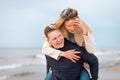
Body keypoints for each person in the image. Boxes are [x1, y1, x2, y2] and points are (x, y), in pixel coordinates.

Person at [42, 8, 99, 80]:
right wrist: (64, 54)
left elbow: (92, 53)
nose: (72, 28)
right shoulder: (52, 40)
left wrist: (85, 31)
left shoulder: (82, 31)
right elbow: (48, 58)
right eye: (68, 26)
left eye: (74, 25)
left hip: (81, 61)